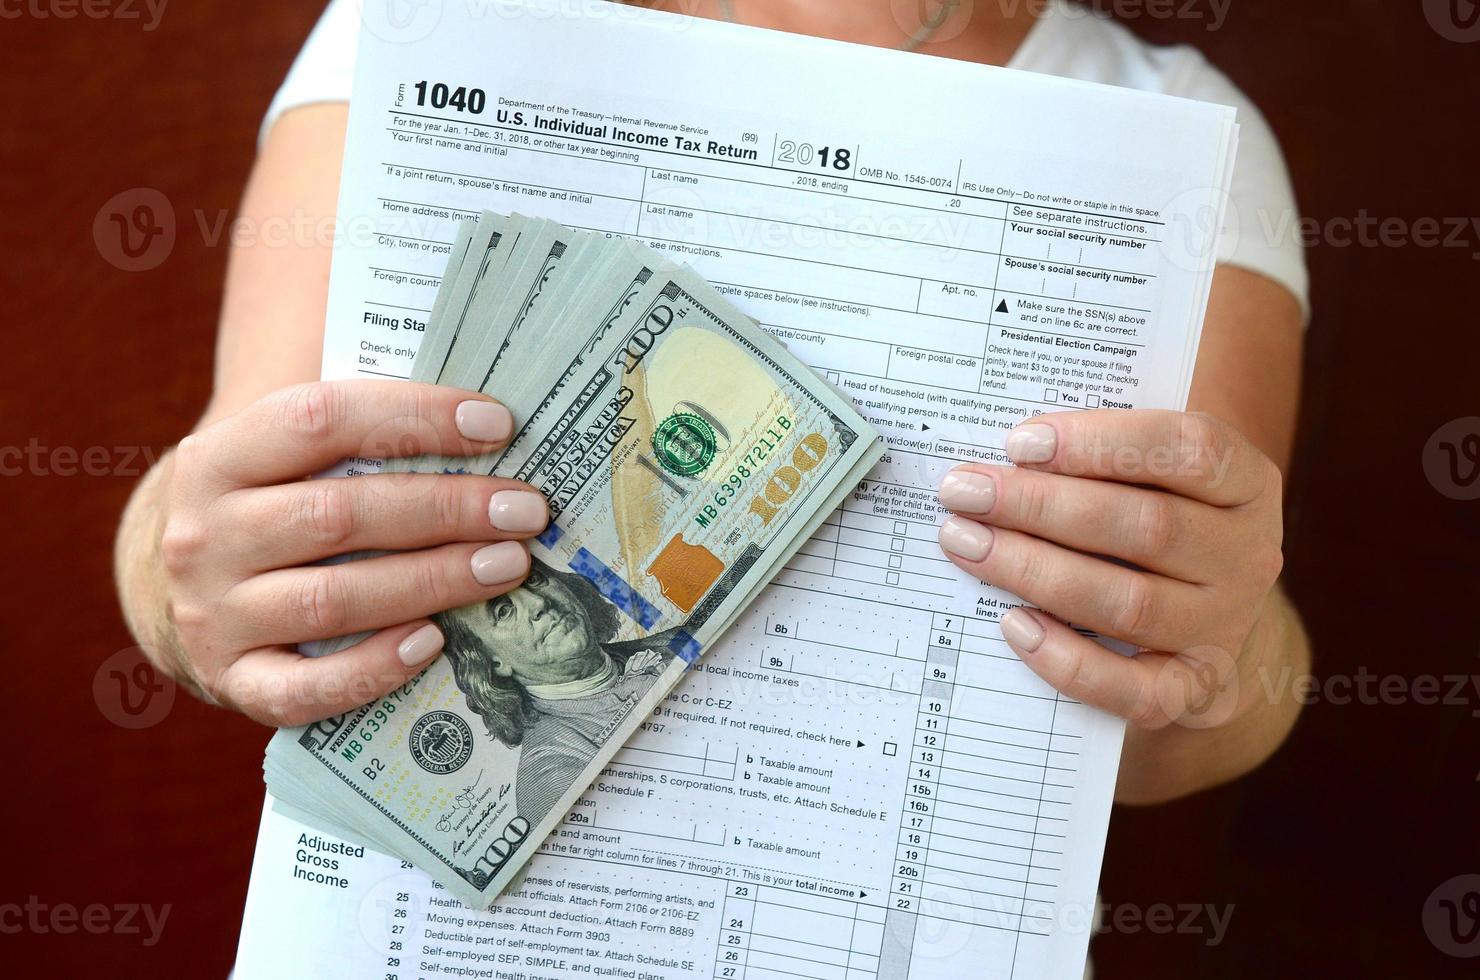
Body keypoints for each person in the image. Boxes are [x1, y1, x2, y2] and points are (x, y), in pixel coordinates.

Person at [115, 0, 1310, 808]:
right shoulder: (433, 19)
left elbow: (1233, 680)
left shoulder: (1180, 129)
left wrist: (1215, 653)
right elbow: (207, 504)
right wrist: (190, 590)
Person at [436, 558, 677, 825]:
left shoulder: (678, 641)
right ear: (493, 663)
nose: (538, 603)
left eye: (533, 580)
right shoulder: (550, 771)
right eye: (504, 611)